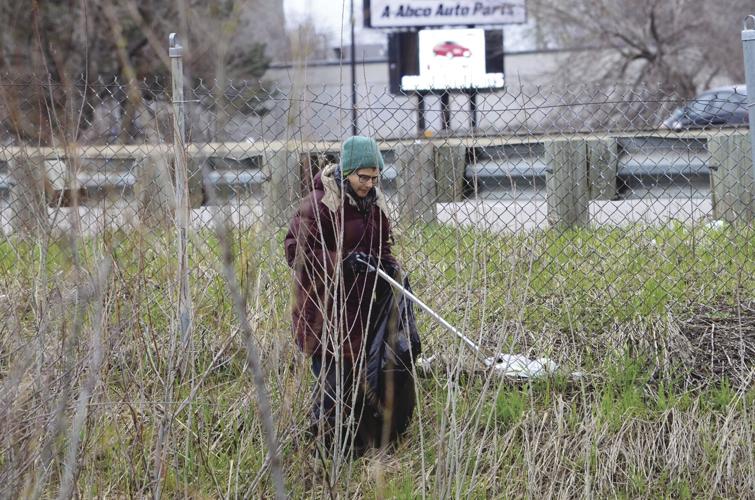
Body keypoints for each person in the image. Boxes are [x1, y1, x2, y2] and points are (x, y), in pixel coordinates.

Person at [284, 135, 419, 456]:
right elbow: (295, 252)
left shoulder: (375, 206)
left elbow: (381, 249)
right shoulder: (319, 204)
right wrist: (341, 261)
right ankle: (323, 450)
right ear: (346, 171)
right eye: (363, 177)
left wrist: (393, 272)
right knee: (333, 383)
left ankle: (353, 444)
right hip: (322, 312)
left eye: (375, 177)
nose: (370, 183)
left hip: (359, 311)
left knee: (355, 380)